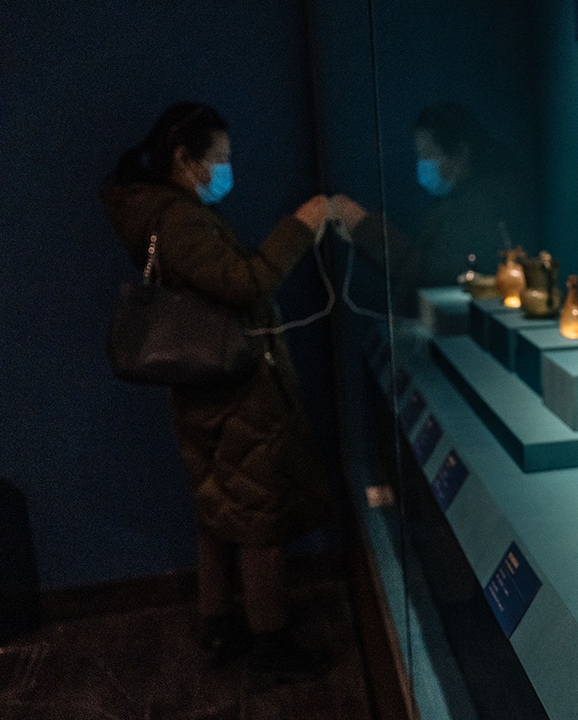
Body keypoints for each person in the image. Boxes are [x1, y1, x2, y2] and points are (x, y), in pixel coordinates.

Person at [102, 102, 361, 679]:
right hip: (232, 392)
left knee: (218, 509)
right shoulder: (179, 220)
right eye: (218, 158)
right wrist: (302, 224)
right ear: (184, 159)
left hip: (201, 390)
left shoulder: (162, 213)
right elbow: (246, 284)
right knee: (259, 515)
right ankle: (271, 643)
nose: (226, 167)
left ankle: (218, 622)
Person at [346, 100, 539, 316]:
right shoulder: (459, 199)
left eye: (428, 154)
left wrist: (362, 225)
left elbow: (434, 275)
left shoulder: (480, 205)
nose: (422, 164)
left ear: (460, 153)